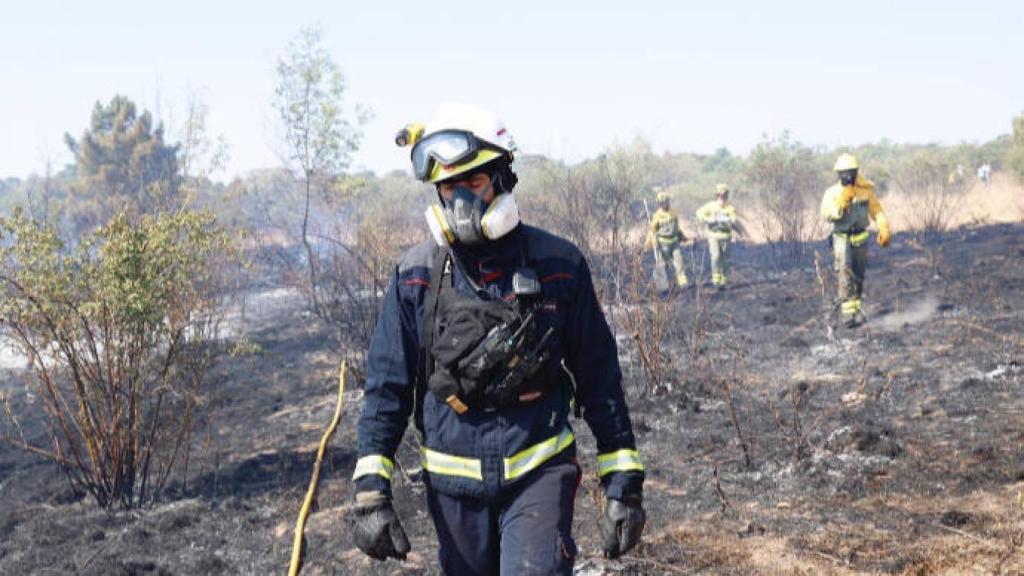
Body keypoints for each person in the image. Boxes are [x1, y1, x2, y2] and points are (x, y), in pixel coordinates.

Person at [350, 103, 645, 574]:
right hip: (452, 488)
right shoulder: (415, 276)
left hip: (539, 475)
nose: (462, 201)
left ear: (502, 180)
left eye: (474, 184)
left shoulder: (558, 265)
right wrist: (370, 493)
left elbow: (599, 376)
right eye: (450, 188)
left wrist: (623, 484)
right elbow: (387, 387)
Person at [820, 153, 891, 328]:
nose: (848, 176)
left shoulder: (865, 191)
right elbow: (826, 214)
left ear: (856, 171)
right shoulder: (832, 193)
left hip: (861, 237)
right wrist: (840, 205)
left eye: (851, 172)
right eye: (844, 173)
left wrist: (883, 227)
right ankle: (847, 315)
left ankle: (856, 310)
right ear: (838, 174)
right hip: (841, 238)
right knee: (845, 273)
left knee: (859, 274)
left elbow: (877, 210)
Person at [695, 184, 747, 289]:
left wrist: (738, 229)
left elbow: (734, 221)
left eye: (724, 196)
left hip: (726, 237)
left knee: (725, 259)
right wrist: (707, 219)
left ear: (726, 196)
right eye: (720, 196)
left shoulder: (730, 208)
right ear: (717, 196)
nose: (721, 198)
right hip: (713, 236)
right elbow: (698, 213)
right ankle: (716, 281)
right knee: (715, 257)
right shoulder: (710, 206)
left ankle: (724, 281)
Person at [645, 188, 689, 289]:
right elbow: (652, 230)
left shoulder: (674, 212)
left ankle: (683, 284)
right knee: (662, 265)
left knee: (679, 262)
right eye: (660, 203)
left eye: (664, 202)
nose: (663, 204)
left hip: (674, 243)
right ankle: (661, 286)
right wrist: (649, 242)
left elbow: (677, 228)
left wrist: (683, 237)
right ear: (658, 203)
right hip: (663, 244)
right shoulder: (657, 215)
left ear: (668, 201)